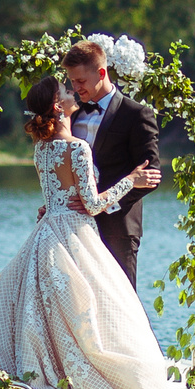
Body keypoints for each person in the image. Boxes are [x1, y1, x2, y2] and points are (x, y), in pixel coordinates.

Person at [0, 75, 174, 389]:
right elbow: (93, 205)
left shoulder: (42, 149)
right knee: (90, 310)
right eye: (66, 91)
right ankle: (91, 382)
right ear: (58, 106)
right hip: (74, 235)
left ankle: (52, 373)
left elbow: (58, 196)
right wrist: (133, 180)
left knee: (52, 311)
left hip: (46, 233)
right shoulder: (76, 147)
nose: (73, 92)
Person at [59, 39, 160, 289]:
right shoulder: (75, 114)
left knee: (122, 307)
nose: (75, 87)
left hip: (119, 228)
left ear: (101, 73)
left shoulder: (136, 114)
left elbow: (151, 176)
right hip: (76, 227)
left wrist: (103, 205)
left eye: (80, 81)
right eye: (72, 81)